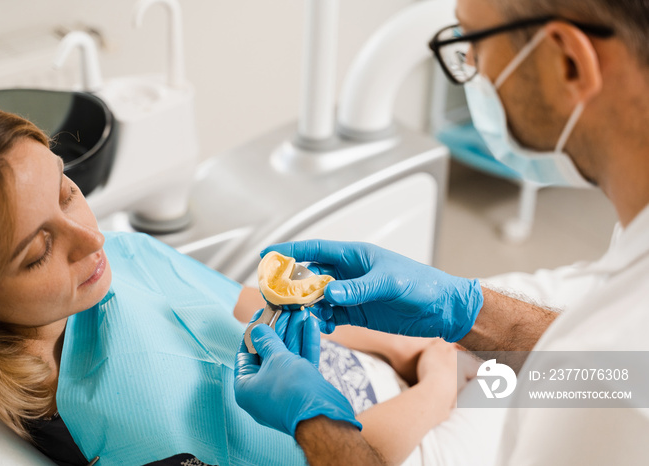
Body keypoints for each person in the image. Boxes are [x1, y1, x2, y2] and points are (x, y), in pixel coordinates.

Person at [0, 98, 479, 466]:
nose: (91, 239)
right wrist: (436, 390)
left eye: (67, 191)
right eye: (39, 251)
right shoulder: (108, 430)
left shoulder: (121, 255)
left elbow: (241, 304)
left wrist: (405, 345)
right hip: (396, 437)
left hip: (398, 376)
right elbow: (341, 457)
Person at [234, 0, 649, 464]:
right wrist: (467, 311)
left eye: (472, 43)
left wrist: (316, 425)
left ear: (569, 62)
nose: (468, 64)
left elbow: (611, 367)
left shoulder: (618, 415)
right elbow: (621, 369)